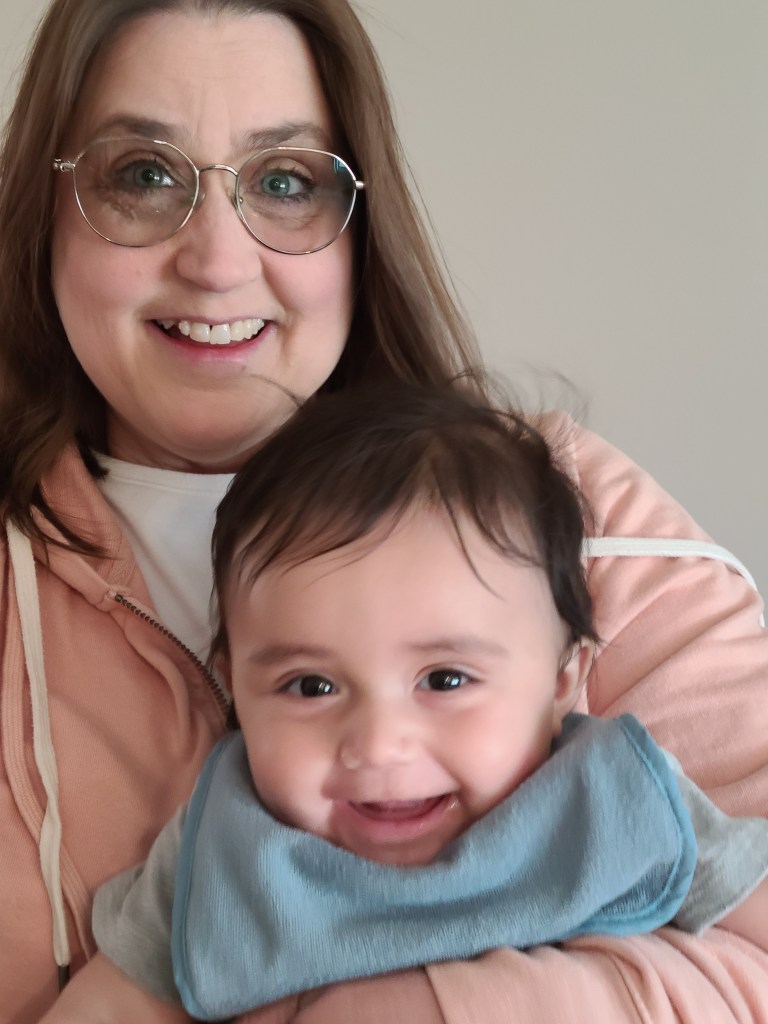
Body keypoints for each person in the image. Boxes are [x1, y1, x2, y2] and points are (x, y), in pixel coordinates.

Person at [0, 0, 765, 1022]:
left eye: (285, 181)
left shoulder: (574, 511)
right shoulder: (212, 863)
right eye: (142, 176)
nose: (217, 261)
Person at [40, 385, 768, 1023]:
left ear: (560, 680)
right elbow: (108, 1009)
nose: (379, 744)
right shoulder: (226, 850)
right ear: (236, 686)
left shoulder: (616, 801)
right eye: (311, 686)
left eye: (445, 680)